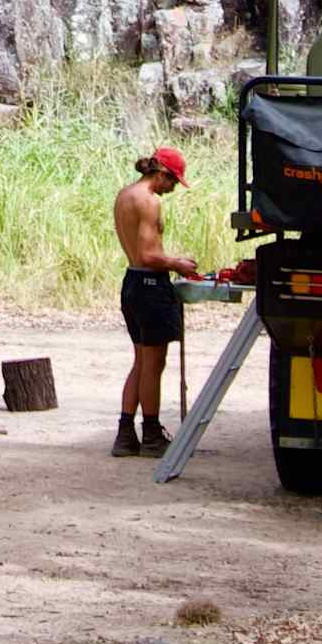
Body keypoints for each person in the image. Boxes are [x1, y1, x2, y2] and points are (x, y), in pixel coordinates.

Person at [111, 146, 202, 456]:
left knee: (140, 361)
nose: (173, 188)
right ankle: (151, 434)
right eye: (173, 181)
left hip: (132, 282)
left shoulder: (125, 194)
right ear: (161, 174)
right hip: (150, 286)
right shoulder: (149, 201)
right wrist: (177, 263)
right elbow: (149, 255)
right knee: (153, 364)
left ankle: (125, 435)